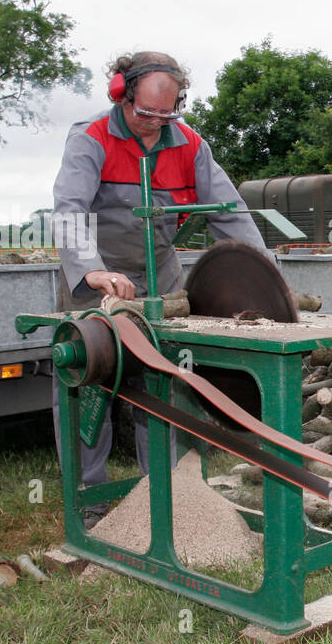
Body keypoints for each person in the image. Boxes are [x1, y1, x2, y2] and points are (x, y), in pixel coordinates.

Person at [51, 51, 273, 519]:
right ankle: (91, 499)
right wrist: (92, 269)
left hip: (160, 277)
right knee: (89, 385)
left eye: (165, 113)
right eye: (144, 112)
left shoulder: (190, 145)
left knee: (163, 384)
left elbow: (228, 213)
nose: (153, 123)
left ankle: (164, 495)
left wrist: (262, 271)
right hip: (96, 280)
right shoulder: (90, 137)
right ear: (121, 94)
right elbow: (69, 209)